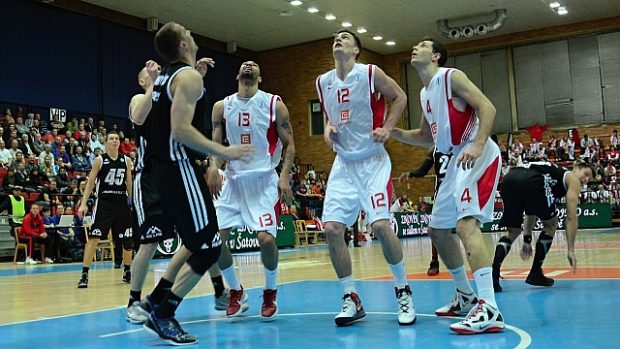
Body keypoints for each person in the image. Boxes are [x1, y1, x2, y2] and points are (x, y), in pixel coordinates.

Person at [139, 22, 253, 345]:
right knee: (210, 246)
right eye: (186, 32)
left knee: (196, 241)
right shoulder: (186, 77)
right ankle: (164, 313)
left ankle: (157, 297)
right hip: (179, 169)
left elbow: (153, 117)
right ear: (183, 45)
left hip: (160, 171)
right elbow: (180, 130)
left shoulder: (168, 76)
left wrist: (196, 75)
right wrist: (223, 151)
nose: (191, 33)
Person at [391, 37, 504, 334]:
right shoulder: (425, 93)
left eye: (423, 45)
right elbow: (427, 137)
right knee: (438, 231)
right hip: (455, 158)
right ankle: (465, 294)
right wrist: (392, 132)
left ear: (436, 56)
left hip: (474, 153)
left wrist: (478, 145)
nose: (415, 47)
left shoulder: (450, 77)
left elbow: (488, 107)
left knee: (466, 224)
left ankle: (489, 307)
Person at [315, 29, 415, 326]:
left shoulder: (370, 72)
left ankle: (403, 291)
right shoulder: (323, 81)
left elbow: (399, 97)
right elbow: (328, 117)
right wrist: (326, 131)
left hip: (372, 161)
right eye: (335, 37)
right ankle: (350, 297)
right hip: (343, 164)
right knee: (332, 229)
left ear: (357, 50)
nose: (338, 39)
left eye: (346, 38)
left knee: (381, 225)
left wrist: (387, 127)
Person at [125, 60, 231, 324]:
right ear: (143, 80)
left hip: (174, 175)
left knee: (199, 236)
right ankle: (134, 301)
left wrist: (194, 77)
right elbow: (138, 116)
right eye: (153, 73)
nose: (160, 74)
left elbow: (189, 119)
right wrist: (153, 84)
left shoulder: (169, 101)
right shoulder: (141, 97)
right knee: (149, 242)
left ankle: (218, 289)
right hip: (148, 177)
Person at [207, 60, 296, 320]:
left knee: (266, 239)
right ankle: (236, 290)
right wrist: (213, 166)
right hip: (233, 180)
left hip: (263, 179)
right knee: (213, 241)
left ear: (260, 77)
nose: (248, 64)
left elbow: (289, 144)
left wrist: (284, 177)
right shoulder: (221, 107)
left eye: (253, 64)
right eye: (244, 64)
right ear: (237, 75)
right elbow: (216, 141)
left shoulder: (273, 104)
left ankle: (270, 291)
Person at [492, 161, 591, 291]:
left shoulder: (549, 173)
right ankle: (535, 272)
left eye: (589, 179)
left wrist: (527, 240)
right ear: (576, 168)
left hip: (510, 178)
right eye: (586, 174)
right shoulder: (572, 179)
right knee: (551, 224)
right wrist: (571, 250)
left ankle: (493, 275)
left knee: (513, 231)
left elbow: (530, 210)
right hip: (532, 180)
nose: (586, 179)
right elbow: (571, 217)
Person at [76, 131, 134, 288]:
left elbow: (129, 184)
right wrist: (83, 203)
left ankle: (127, 270)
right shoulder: (100, 160)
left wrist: (134, 202)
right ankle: (84, 274)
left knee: (127, 240)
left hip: (121, 203)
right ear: (106, 143)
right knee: (94, 238)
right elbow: (90, 183)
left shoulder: (126, 160)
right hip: (104, 203)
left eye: (116, 139)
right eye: (111, 139)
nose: (114, 141)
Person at [398, 146, 451, 276]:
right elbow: (423, 170)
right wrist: (410, 174)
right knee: (433, 229)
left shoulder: (459, 143)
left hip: (460, 190)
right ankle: (434, 262)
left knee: (466, 229)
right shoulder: (434, 149)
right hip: (442, 193)